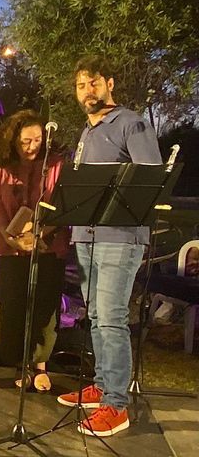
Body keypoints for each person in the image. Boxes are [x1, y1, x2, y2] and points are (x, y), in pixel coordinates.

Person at [56, 56, 162, 437]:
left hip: (120, 238)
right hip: (87, 236)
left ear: (110, 84)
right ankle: (101, 386)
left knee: (113, 317)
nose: (88, 91)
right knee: (97, 316)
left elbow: (149, 180)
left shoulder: (131, 123)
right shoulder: (87, 131)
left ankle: (116, 405)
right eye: (81, 85)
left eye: (94, 82)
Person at [0, 109, 69, 391]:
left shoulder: (56, 165)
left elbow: (62, 202)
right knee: (15, 305)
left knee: (45, 307)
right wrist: (12, 238)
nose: (32, 146)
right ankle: (20, 364)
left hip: (48, 246)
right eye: (26, 141)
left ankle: (41, 364)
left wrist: (41, 233)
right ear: (13, 140)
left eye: (37, 140)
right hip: (11, 249)